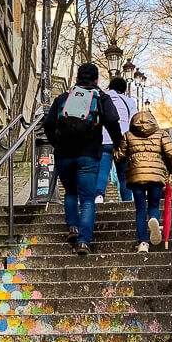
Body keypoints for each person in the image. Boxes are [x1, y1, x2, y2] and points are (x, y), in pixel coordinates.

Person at [43, 63, 123, 255]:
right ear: (96, 80)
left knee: (70, 192)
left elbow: (47, 124)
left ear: (77, 79)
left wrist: (57, 144)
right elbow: (112, 121)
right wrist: (118, 143)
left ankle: (73, 227)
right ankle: (83, 241)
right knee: (87, 199)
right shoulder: (100, 97)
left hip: (64, 155)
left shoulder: (64, 98)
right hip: (88, 155)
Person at [113, 111, 172, 253]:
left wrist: (114, 152)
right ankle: (154, 218)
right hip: (156, 176)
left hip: (136, 176)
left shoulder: (128, 136)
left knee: (140, 209)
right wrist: (170, 170)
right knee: (154, 204)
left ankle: (143, 243)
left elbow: (120, 157)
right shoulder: (161, 134)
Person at [95, 77, 137, 203]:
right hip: (123, 140)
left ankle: (99, 196)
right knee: (124, 176)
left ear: (110, 87)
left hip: (104, 140)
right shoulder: (129, 102)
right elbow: (134, 123)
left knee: (103, 171)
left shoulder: (101, 98)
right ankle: (127, 201)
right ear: (124, 89)